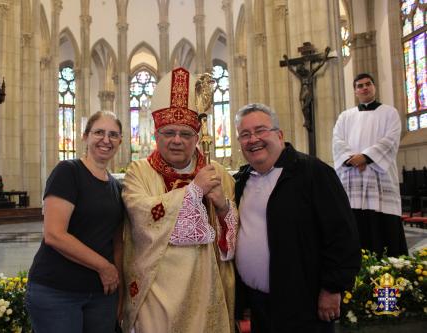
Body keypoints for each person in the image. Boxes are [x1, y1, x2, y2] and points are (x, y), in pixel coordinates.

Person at [121, 67, 238, 333]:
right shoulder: (138, 172)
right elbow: (142, 217)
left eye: (185, 134)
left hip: (205, 288)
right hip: (156, 291)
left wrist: (222, 208)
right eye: (168, 133)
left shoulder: (217, 173)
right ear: (155, 134)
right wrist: (194, 191)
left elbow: (231, 246)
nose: (177, 141)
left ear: (197, 137)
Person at [234, 103, 361, 333]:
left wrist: (332, 288)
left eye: (261, 130)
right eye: (245, 135)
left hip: (305, 304)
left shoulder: (313, 172)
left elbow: (343, 235)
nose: (253, 139)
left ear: (279, 135)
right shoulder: (242, 180)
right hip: (259, 305)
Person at [25, 111, 125, 333]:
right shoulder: (68, 172)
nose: (106, 140)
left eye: (113, 135)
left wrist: (120, 291)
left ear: (120, 141)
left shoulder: (118, 188)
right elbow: (54, 234)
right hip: (57, 291)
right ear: (85, 136)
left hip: (102, 295)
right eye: (99, 132)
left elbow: (118, 243)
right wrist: (104, 267)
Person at [332, 73, 408, 258]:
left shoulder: (389, 112)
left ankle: (387, 276)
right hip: (353, 178)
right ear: (355, 91)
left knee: (382, 227)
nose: (364, 88)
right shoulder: (345, 116)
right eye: (360, 85)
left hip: (379, 178)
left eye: (368, 84)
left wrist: (365, 157)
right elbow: (337, 141)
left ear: (374, 87)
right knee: (354, 225)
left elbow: (390, 140)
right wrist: (353, 159)